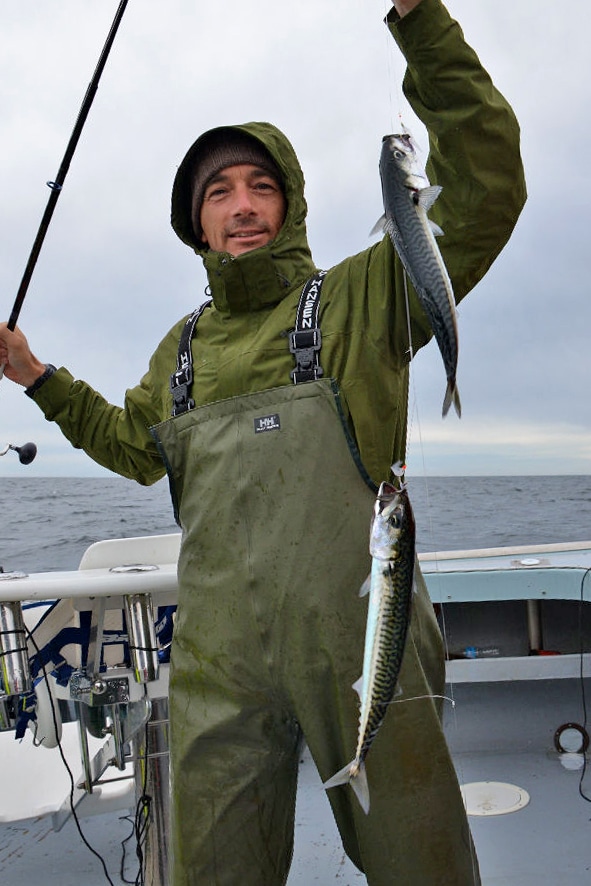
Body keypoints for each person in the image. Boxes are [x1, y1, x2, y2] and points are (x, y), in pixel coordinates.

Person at [0, 1, 526, 883]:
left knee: (421, 864)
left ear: (289, 205)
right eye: (218, 193)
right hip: (218, 667)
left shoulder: (365, 299)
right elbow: (131, 445)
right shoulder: (180, 351)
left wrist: (416, 19)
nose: (241, 207)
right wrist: (38, 378)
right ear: (197, 224)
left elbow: (485, 187)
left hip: (366, 649)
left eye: (260, 186)